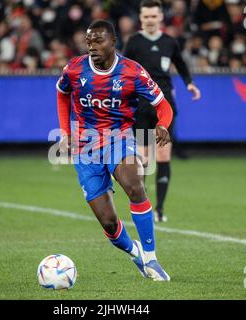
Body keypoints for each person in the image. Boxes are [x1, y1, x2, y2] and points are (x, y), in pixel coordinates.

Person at [56, 19, 174, 281]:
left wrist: (163, 124)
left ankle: (152, 258)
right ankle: (136, 255)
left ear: (113, 42)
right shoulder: (75, 69)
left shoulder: (132, 72)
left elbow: (163, 106)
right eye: (89, 41)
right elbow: (62, 93)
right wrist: (65, 132)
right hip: (85, 147)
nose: (92, 46)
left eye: (98, 41)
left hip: (119, 138)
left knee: (134, 183)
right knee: (109, 223)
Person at [123, 0, 201, 222]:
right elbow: (124, 70)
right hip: (140, 106)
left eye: (153, 16)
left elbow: (181, 64)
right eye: (146, 16)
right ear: (141, 18)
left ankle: (159, 209)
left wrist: (190, 84)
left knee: (164, 155)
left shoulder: (169, 42)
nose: (149, 20)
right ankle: (143, 207)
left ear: (160, 18)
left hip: (164, 105)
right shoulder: (134, 42)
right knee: (142, 160)